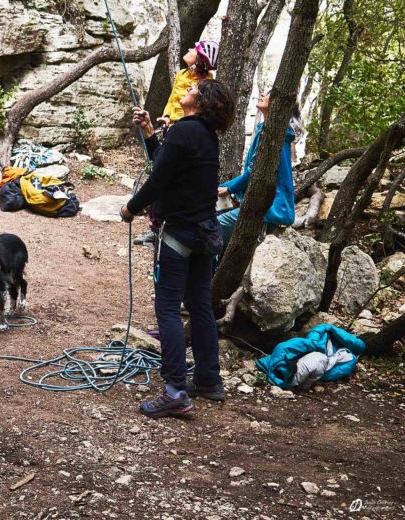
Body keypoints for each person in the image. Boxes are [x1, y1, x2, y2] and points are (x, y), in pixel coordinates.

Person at [120, 79, 235, 418]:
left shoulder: (186, 131)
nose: (187, 90)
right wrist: (150, 133)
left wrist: (131, 207)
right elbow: (166, 164)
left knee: (168, 309)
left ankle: (174, 391)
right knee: (199, 305)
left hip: (179, 234)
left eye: (194, 89)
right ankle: (208, 379)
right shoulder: (204, 135)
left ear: (200, 100)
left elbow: (158, 180)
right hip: (202, 233)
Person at [134, 40, 220, 247]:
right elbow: (174, 100)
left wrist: (176, 123)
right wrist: (166, 117)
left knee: (165, 177)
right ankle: (155, 226)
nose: (189, 49)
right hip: (172, 127)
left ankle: (160, 228)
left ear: (199, 59)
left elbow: (194, 109)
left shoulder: (204, 85)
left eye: (194, 49)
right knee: (160, 169)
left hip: (184, 132)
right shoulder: (183, 74)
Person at [217, 91, 303, 247]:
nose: (263, 94)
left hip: (269, 210)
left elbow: (255, 170)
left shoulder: (276, 136)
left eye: (270, 93)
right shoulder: (267, 131)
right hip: (265, 208)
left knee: (214, 228)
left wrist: (229, 188)